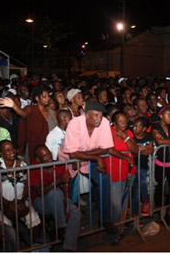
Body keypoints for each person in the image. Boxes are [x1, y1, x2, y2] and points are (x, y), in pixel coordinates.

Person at [57, 100, 119, 239]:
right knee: (66, 191)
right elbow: (72, 153)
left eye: (101, 115)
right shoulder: (74, 124)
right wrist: (97, 158)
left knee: (104, 179)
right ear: (86, 114)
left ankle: (105, 219)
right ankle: (63, 224)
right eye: (95, 115)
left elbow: (105, 148)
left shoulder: (103, 122)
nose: (99, 119)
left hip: (88, 157)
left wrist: (91, 157)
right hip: (69, 160)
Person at [0, 140, 41, 252]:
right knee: (7, 227)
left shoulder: (22, 165)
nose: (12, 152)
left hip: (21, 200)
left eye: (12, 148)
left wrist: (21, 201)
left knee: (34, 219)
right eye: (7, 150)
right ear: (1, 154)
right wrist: (8, 204)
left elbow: (27, 185)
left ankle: (36, 247)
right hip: (2, 202)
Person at [30, 145, 81, 251]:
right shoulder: (33, 168)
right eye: (44, 155)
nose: (48, 156)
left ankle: (69, 247)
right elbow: (40, 192)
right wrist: (57, 181)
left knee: (76, 213)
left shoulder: (57, 164)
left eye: (49, 153)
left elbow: (64, 188)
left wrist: (65, 202)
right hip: (41, 202)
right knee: (55, 192)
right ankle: (61, 227)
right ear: (38, 159)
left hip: (59, 199)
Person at [0, 86, 57, 164]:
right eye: (44, 96)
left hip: (52, 148)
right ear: (37, 99)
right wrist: (14, 106)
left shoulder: (52, 112)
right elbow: (24, 114)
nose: (48, 98)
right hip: (35, 148)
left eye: (48, 96)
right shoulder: (31, 109)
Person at [106, 111, 138, 243]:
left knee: (123, 204)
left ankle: (118, 231)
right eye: (121, 121)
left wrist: (125, 138)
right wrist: (125, 156)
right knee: (116, 205)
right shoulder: (108, 132)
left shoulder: (129, 133)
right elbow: (109, 150)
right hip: (114, 173)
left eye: (125, 120)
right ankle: (114, 234)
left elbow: (135, 150)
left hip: (128, 173)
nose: (124, 123)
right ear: (113, 122)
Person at [152, 106, 170, 225]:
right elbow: (159, 142)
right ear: (161, 116)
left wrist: (165, 141)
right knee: (159, 189)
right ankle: (160, 214)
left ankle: (165, 210)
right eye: (167, 115)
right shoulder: (155, 127)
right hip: (160, 163)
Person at [132, 117, 154, 217]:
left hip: (144, 166)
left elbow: (151, 150)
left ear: (144, 128)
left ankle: (135, 213)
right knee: (142, 183)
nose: (134, 128)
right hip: (133, 166)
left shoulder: (148, 135)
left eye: (137, 126)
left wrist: (144, 150)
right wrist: (139, 150)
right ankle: (145, 202)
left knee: (137, 190)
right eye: (134, 125)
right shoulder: (132, 136)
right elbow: (132, 151)